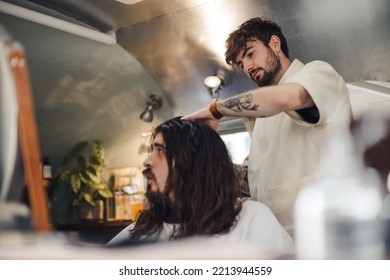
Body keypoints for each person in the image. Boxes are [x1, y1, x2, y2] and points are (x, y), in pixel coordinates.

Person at [182, 17, 353, 236]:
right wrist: (204, 153)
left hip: (324, 235)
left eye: (250, 54)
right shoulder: (262, 115)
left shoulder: (318, 73)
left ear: (275, 44)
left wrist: (216, 109)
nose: (248, 68)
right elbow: (251, 181)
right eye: (242, 65)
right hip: (276, 240)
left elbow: (284, 99)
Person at [107, 117, 293, 255]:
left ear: (194, 162)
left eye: (160, 151)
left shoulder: (251, 219)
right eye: (151, 151)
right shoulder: (142, 229)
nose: (147, 161)